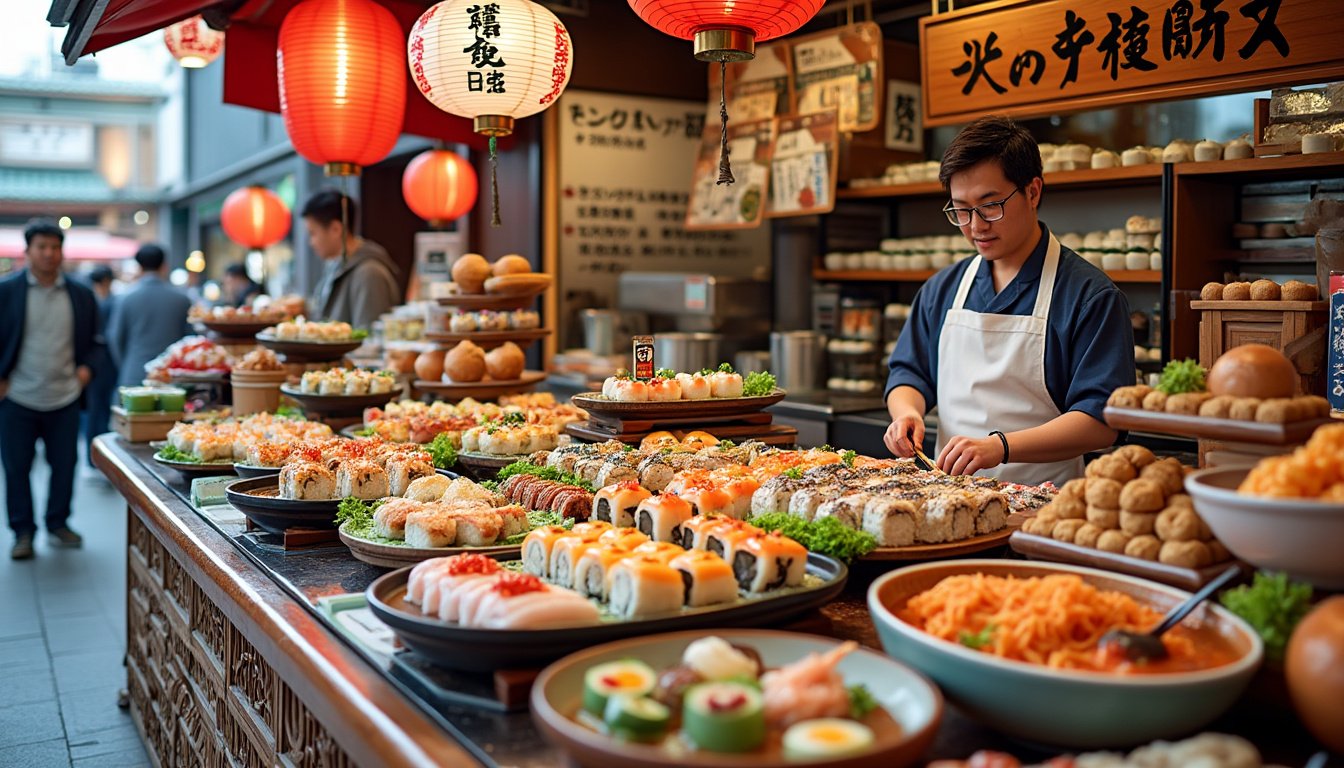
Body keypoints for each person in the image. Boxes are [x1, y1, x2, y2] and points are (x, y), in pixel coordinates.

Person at [882, 116, 1134, 487]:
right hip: (949, 498)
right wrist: (907, 413)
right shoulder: (944, 289)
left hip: (1044, 507)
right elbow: (909, 374)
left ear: (1033, 192)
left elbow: (1101, 421)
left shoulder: (1089, 296)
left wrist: (999, 447)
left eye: (990, 205)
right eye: (961, 210)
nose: (975, 226)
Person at [0, 219, 99, 559]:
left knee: (65, 464)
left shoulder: (80, 294)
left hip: (65, 395)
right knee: (16, 468)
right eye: (41, 247)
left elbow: (96, 343)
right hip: (17, 397)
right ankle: (22, 532)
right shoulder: (7, 291)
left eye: (55, 247)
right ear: (27, 251)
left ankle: (58, 522)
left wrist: (87, 370)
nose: (48, 254)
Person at [302, 189, 401, 330]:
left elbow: (368, 340)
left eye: (313, 233)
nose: (311, 242)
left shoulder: (369, 273)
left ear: (336, 229)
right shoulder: (336, 265)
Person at [108, 244, 192, 388]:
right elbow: (189, 339)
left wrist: (126, 363)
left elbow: (115, 338)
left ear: (139, 267)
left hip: (134, 373)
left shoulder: (125, 298)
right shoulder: (182, 299)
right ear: (164, 266)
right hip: (172, 375)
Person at [82, 265, 118, 466]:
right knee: (98, 410)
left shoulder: (91, 299)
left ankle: (96, 458)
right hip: (103, 361)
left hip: (99, 362)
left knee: (96, 410)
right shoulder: (107, 301)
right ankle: (97, 459)